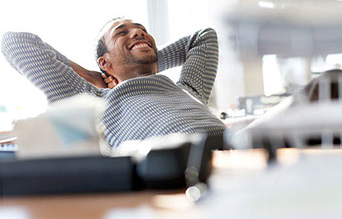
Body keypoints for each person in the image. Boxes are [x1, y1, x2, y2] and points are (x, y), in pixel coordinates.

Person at [1, 18, 226, 147]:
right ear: (104, 62)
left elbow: (204, 37)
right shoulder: (90, 99)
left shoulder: (188, 89)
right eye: (121, 33)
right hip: (183, 172)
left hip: (240, 158)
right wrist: (92, 76)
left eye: (143, 30)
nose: (139, 31)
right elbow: (14, 42)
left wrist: (147, 59)